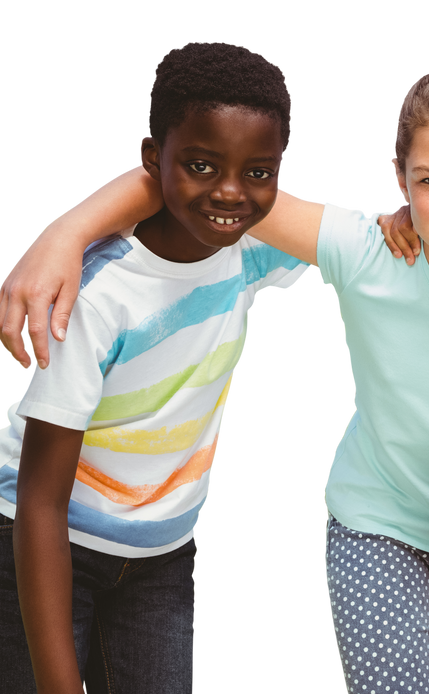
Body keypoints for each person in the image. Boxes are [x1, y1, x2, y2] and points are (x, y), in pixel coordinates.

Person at [0, 65, 429, 692]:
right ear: (400, 180)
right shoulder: (367, 251)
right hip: (375, 522)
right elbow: (198, 179)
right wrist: (62, 233)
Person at [0, 40, 307, 692]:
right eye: (200, 164)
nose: (230, 192)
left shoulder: (253, 248)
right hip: (47, 543)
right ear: (150, 160)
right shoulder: (100, 293)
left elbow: (389, 237)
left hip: (162, 558)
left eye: (258, 172)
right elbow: (40, 500)